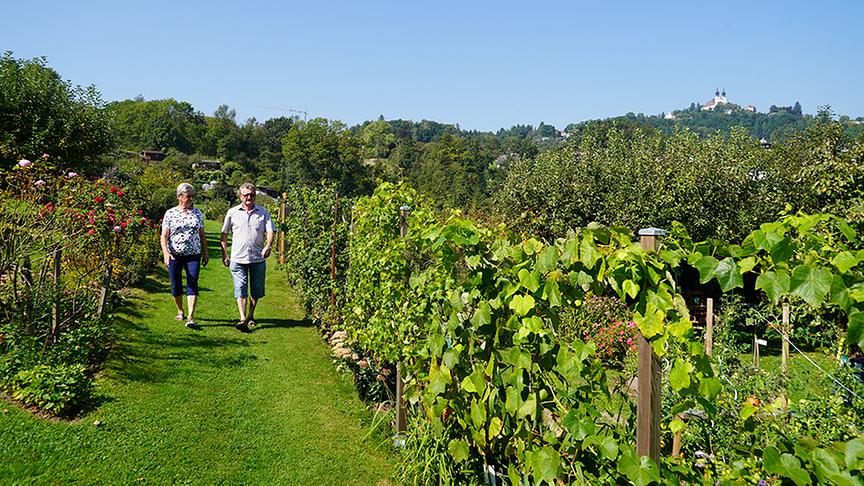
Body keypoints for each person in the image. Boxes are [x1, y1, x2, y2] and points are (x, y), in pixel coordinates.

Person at [220, 183, 275, 332]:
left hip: (258, 258)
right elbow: (224, 234)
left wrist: (268, 245)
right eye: (246, 195)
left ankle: (251, 315)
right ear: (240, 196)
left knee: (256, 290)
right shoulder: (232, 212)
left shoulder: (263, 213)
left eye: (251, 195)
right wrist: (224, 253)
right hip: (238, 258)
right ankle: (243, 318)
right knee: (240, 287)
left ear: (255, 196)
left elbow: (270, 231)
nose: (249, 197)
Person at [160, 183, 208, 328]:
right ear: (180, 197)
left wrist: (205, 253)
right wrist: (166, 253)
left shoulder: (197, 213)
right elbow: (164, 236)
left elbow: (202, 235)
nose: (191, 198)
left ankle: (191, 317)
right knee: (175, 285)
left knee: (192, 283)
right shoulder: (170, 213)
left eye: (192, 196)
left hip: (193, 254)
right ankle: (180, 310)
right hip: (174, 255)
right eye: (188, 196)